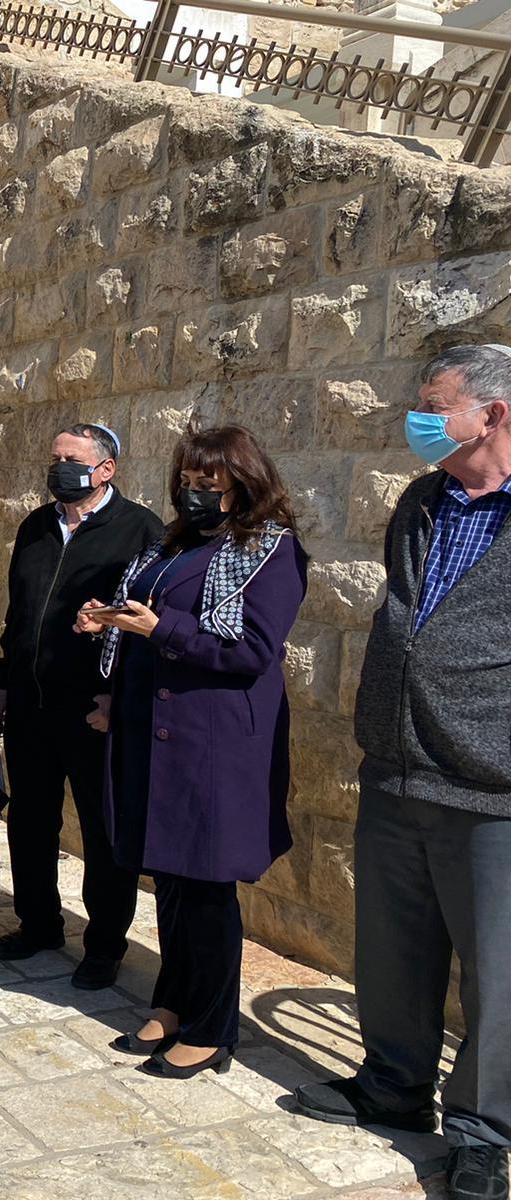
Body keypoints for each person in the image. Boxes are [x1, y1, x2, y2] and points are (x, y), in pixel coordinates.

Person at [294, 344, 511, 1200]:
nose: (418, 419)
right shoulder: (423, 500)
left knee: (497, 974)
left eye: (436, 404)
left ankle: (484, 1131)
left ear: (493, 414)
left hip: (491, 785)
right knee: (390, 951)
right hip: (396, 767)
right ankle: (393, 1085)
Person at [77, 424, 306, 1080]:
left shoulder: (270, 551)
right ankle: (173, 1003)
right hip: (156, 736)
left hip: (214, 744)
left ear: (244, 484)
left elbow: (252, 650)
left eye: (209, 482)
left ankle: (211, 1029)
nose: (193, 492)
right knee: (172, 881)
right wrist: (111, 621)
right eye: (186, 481)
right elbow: (150, 620)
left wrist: (160, 627)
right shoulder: (175, 545)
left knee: (206, 887)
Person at [0, 423, 164, 990]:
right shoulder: (36, 526)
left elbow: (147, 625)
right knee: (30, 820)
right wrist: (4, 680)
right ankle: (39, 923)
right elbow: (19, 613)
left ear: (106, 469)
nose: (59, 468)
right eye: (54, 458)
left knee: (102, 831)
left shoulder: (140, 530)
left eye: (72, 459)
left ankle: (104, 946)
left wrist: (119, 695)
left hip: (94, 710)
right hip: (31, 704)